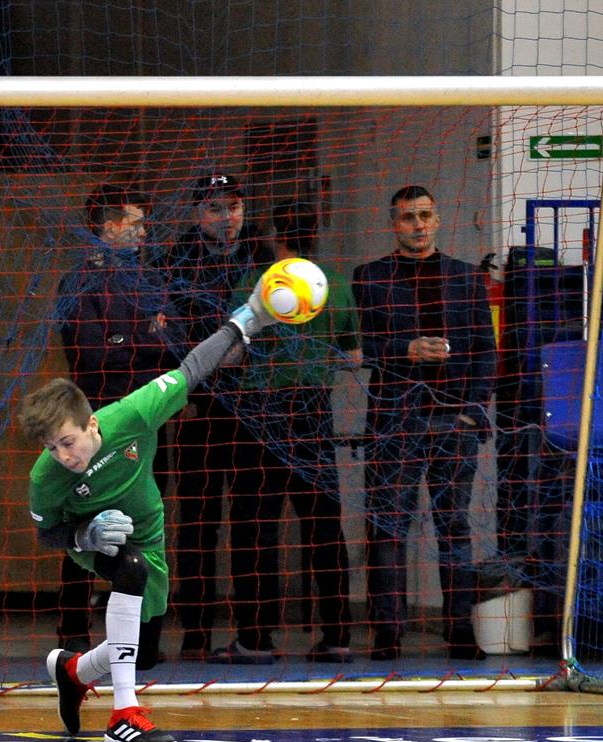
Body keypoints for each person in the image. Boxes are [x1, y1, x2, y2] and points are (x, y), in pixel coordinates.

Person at [17, 270, 281, 742]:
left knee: (142, 649)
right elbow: (47, 533)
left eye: (68, 442)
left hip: (148, 532)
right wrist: (85, 535)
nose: (63, 456)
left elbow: (192, 368)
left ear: (91, 424)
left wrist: (245, 321)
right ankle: (124, 716)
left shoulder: (133, 415)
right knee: (130, 569)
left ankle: (74, 671)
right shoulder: (44, 478)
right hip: (94, 540)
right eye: (52, 447)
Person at [210, 200, 363, 664]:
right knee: (323, 525)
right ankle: (337, 636)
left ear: (275, 234)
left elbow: (231, 353)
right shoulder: (336, 285)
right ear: (316, 232)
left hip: (263, 414)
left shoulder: (255, 284)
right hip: (314, 414)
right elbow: (354, 357)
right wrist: (314, 358)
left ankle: (255, 638)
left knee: (255, 526)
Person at [351, 185, 496, 661]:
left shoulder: (466, 277)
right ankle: (387, 633)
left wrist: (473, 411)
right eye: (408, 217)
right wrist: (406, 350)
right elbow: (363, 349)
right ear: (394, 224)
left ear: (438, 219)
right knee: (388, 527)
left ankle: (460, 630)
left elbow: (486, 352)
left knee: (454, 526)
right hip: (395, 422)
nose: (418, 225)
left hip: (453, 422)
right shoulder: (370, 277)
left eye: (425, 215)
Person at [53, 183, 175, 652]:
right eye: (136, 223)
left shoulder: (152, 279)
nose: (144, 233)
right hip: (96, 426)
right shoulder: (80, 282)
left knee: (146, 528)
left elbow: (174, 344)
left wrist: (133, 341)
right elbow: (92, 354)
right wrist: (146, 338)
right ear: (109, 226)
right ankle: (72, 633)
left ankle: (142, 637)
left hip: (145, 426)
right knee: (86, 526)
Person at [164, 172, 272, 660]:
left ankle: (255, 631)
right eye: (214, 208)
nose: (226, 217)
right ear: (197, 214)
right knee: (197, 524)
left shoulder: (266, 261)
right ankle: (196, 632)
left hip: (255, 408)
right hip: (199, 409)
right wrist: (183, 391)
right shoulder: (174, 261)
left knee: (253, 523)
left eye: (234, 206)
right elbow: (166, 335)